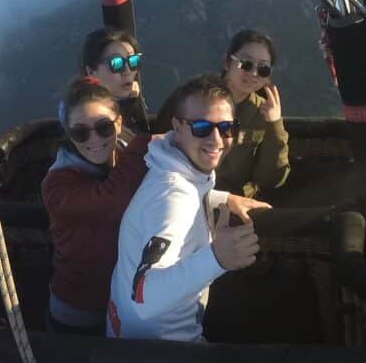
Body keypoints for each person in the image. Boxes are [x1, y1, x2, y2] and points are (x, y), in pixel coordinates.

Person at [107, 75, 272, 341]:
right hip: (161, 347)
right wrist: (217, 258)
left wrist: (221, 198)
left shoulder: (169, 163)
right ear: (178, 127)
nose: (217, 140)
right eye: (202, 127)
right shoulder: (174, 199)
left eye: (226, 127)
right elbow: (144, 299)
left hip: (127, 333)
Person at [41, 76, 154, 335]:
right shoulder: (57, 185)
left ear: (119, 123)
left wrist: (222, 198)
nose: (94, 139)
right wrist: (145, 144)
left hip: (126, 301)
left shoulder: (125, 155)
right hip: (79, 311)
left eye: (104, 127)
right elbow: (112, 201)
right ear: (69, 135)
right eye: (80, 132)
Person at [161, 29, 289, 198]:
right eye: (246, 64)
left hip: (237, 205)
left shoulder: (263, 113)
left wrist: (274, 125)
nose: (253, 73)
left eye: (263, 68)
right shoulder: (192, 98)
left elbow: (271, 179)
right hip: (184, 193)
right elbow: (159, 145)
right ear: (227, 62)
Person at [81, 27, 151, 136]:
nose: (127, 71)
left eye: (133, 61)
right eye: (116, 63)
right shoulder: (88, 120)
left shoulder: (130, 101)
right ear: (91, 72)